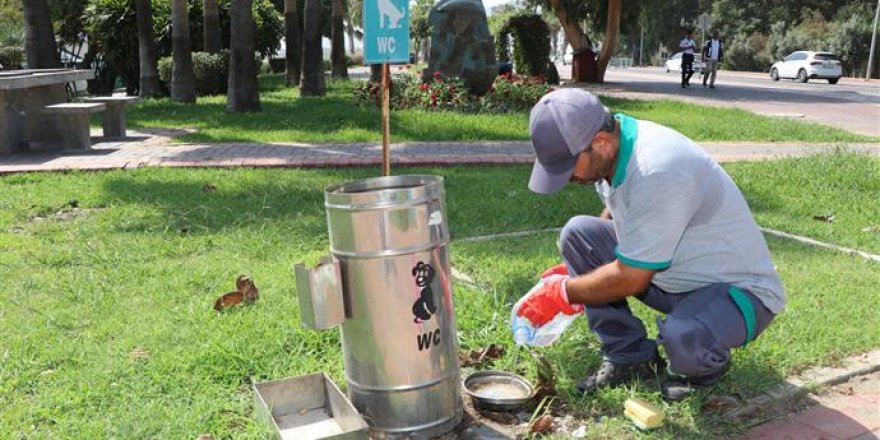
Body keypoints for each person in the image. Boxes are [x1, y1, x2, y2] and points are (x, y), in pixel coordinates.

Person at [515, 88, 785, 401]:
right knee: (580, 234)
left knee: (684, 337)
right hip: (674, 277)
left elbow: (631, 277)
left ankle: (703, 367)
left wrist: (563, 292)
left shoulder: (657, 169)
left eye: (567, 166)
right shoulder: (614, 149)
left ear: (600, 143)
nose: (566, 178)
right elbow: (619, 212)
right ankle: (629, 356)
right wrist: (581, 269)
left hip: (737, 294)